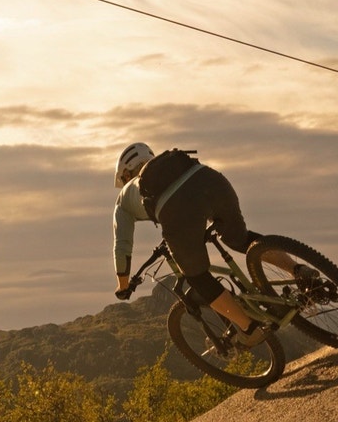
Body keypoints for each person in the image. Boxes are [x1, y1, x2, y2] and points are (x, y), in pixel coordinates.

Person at [112, 143, 305, 347]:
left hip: (177, 208)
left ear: (126, 173)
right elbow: (191, 190)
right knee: (239, 238)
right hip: (211, 180)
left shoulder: (124, 198)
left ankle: (249, 329)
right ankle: (300, 270)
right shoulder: (170, 163)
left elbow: (122, 245)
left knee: (196, 276)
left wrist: (123, 286)